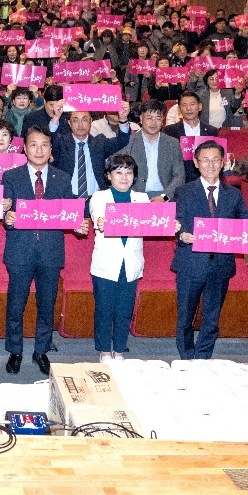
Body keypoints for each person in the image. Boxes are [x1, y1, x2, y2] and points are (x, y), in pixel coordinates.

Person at [173, 141, 248, 359]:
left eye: (216, 160)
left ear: (223, 163)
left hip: (220, 265)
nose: (211, 165)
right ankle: (187, 356)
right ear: (197, 164)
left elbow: (246, 220)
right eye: (205, 160)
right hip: (191, 264)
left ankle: (203, 357)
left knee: (212, 316)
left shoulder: (234, 195)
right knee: (185, 316)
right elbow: (176, 221)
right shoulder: (183, 192)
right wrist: (181, 235)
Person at [1, 127, 76, 375]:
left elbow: (70, 212)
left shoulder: (62, 178)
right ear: (25, 148)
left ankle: (41, 351)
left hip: (50, 252)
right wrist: (7, 217)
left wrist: (79, 220)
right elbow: (4, 210)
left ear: (51, 149)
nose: (39, 150)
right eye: (34, 145)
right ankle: (15, 351)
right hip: (20, 250)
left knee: (47, 304)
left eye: (44, 145)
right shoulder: (11, 177)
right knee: (15, 304)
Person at [89, 154, 165, 362]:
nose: (124, 177)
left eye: (129, 172)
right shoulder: (99, 197)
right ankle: (104, 350)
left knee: (124, 310)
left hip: (130, 264)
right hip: (106, 264)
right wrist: (101, 221)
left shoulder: (141, 199)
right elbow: (97, 215)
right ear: (109, 175)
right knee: (104, 310)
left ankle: (120, 350)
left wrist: (171, 224)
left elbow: (156, 220)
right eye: (118, 172)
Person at [113, 100, 185, 202]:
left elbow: (179, 176)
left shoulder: (172, 143)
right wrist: (136, 198)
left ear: (163, 121)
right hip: (134, 197)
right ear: (141, 119)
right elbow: (118, 173)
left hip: (164, 196)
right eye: (149, 118)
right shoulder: (128, 142)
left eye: (158, 118)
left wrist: (164, 197)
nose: (153, 123)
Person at [52, 108, 131, 200]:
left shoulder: (99, 143)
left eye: (84, 119)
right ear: (69, 123)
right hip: (68, 199)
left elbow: (122, 141)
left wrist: (122, 119)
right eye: (75, 120)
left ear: (91, 122)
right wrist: (56, 117)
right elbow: (49, 138)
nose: (80, 124)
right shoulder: (61, 143)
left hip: (95, 200)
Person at [164, 91, 219, 182]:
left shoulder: (211, 131)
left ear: (200, 107)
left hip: (206, 180)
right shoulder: (170, 131)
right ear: (179, 110)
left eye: (192, 104)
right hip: (180, 182)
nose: (188, 108)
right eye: (184, 105)